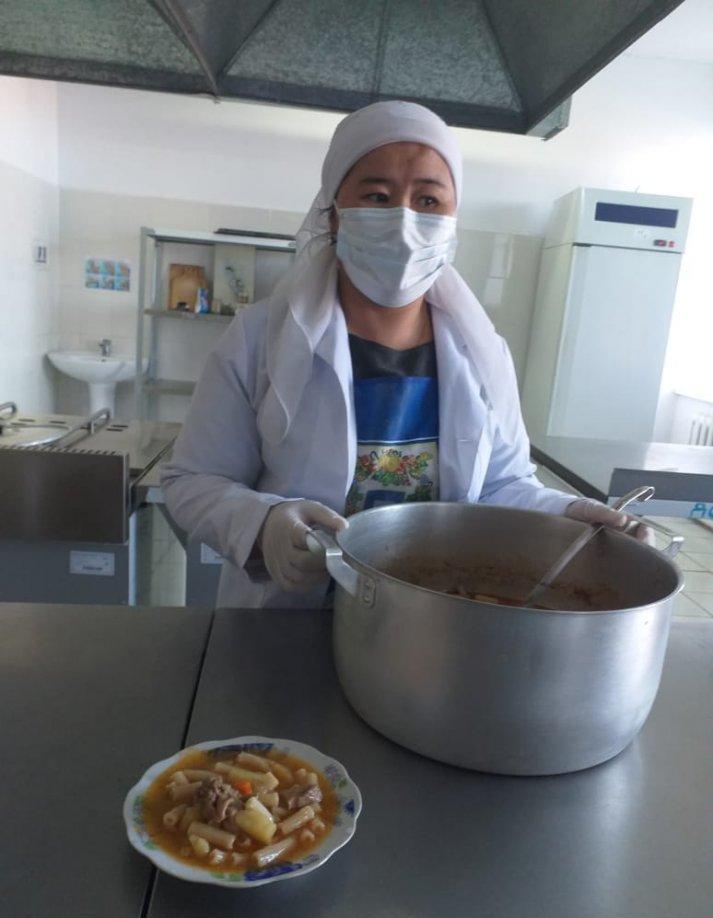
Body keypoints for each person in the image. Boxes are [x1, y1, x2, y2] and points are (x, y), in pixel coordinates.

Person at [162, 100, 649, 609]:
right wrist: (263, 524)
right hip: (288, 622)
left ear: (453, 219)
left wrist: (568, 514)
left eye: (429, 200)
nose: (404, 220)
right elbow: (192, 481)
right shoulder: (260, 339)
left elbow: (501, 486)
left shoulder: (482, 353)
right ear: (334, 215)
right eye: (377, 196)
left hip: (430, 627)